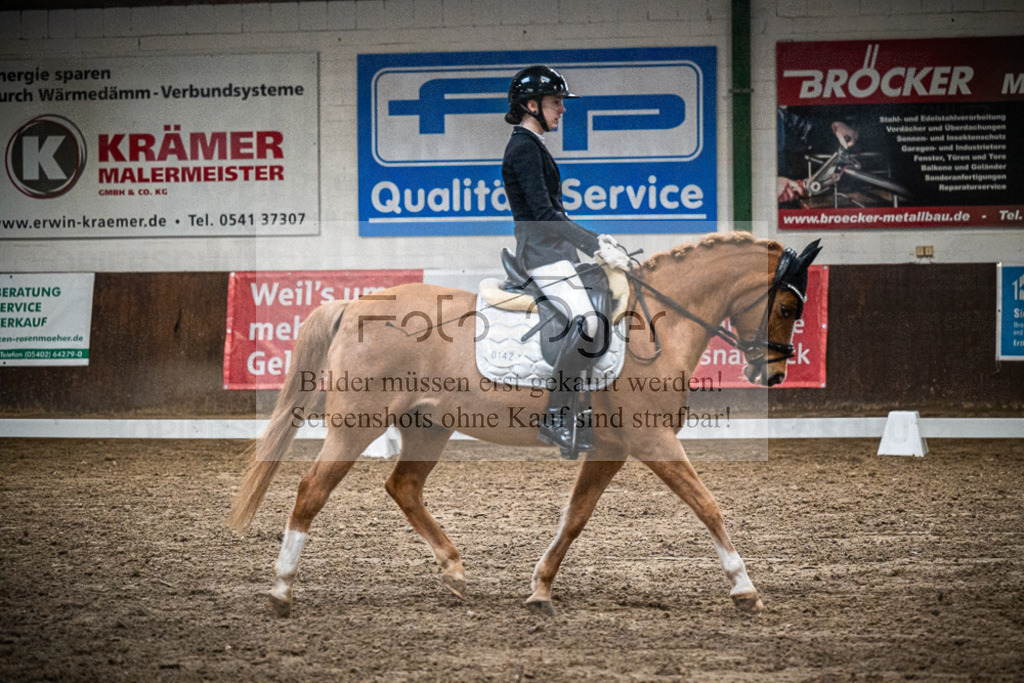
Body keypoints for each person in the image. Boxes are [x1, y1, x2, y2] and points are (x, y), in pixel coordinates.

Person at [501, 64, 630, 456]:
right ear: (531, 105)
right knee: (588, 323)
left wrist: (595, 241)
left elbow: (554, 213)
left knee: (600, 303)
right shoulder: (523, 148)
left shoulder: (533, 145)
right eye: (556, 102)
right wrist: (592, 244)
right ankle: (557, 416)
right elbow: (543, 215)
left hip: (555, 253)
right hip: (540, 255)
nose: (563, 109)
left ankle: (583, 411)